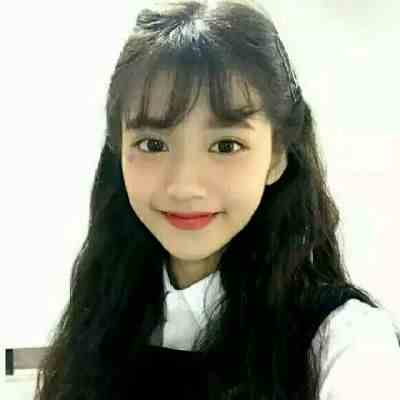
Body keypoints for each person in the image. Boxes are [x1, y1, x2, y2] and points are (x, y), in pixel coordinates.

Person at [34, 1, 400, 399]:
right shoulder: (97, 321)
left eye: (226, 145)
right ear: (118, 150)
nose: (184, 186)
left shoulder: (346, 345)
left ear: (276, 155)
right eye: (152, 144)